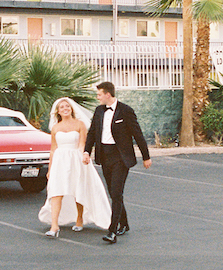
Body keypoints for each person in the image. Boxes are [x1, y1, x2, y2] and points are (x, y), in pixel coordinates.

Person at [83, 82, 152, 244]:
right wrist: (87, 151)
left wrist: (146, 156)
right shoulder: (99, 111)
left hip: (121, 157)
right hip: (104, 156)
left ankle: (112, 231)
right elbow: (92, 132)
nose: (97, 97)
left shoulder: (126, 111)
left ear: (108, 94)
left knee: (116, 192)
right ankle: (125, 224)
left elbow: (137, 134)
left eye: (99, 94)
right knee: (114, 194)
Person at [38, 97, 112, 238]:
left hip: (75, 159)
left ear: (71, 109)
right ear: (58, 112)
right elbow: (53, 149)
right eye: (62, 107)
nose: (65, 109)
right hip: (60, 161)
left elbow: (83, 144)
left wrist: (85, 156)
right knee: (56, 192)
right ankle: (54, 226)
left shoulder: (80, 125)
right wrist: (50, 168)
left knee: (77, 190)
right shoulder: (55, 128)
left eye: (67, 106)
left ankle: (79, 218)